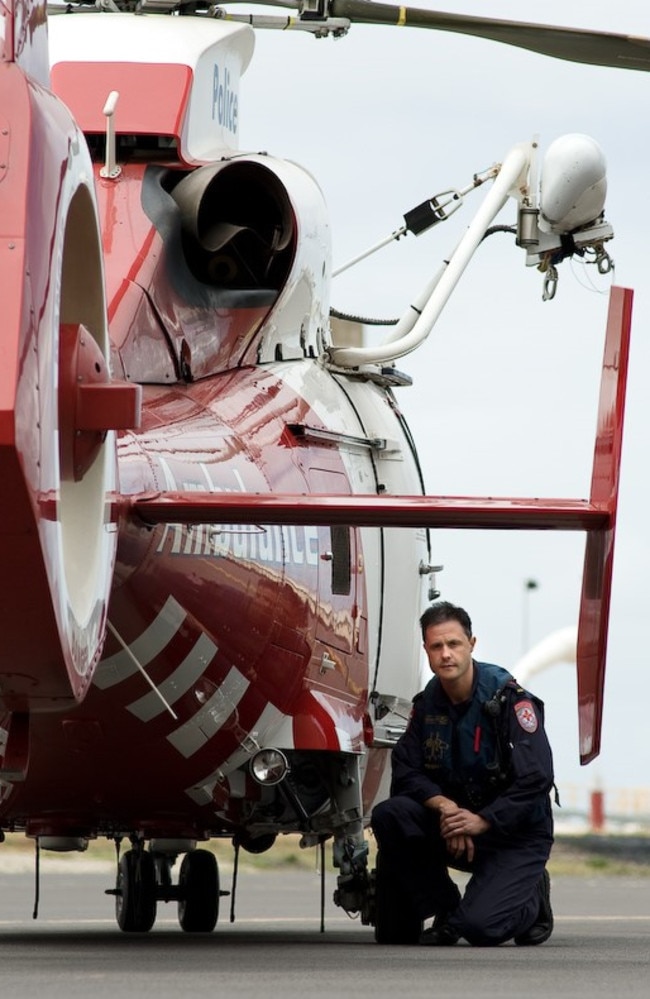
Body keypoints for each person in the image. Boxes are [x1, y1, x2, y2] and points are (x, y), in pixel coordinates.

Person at [371, 600, 555, 947]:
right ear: (425, 649)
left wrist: (483, 820)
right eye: (436, 646)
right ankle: (447, 910)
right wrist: (446, 809)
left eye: (453, 644)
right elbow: (406, 770)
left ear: (471, 644)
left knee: (483, 929)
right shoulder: (426, 706)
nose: (445, 654)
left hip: (513, 833)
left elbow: (537, 778)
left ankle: (533, 901)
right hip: (454, 824)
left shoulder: (510, 701)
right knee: (390, 815)